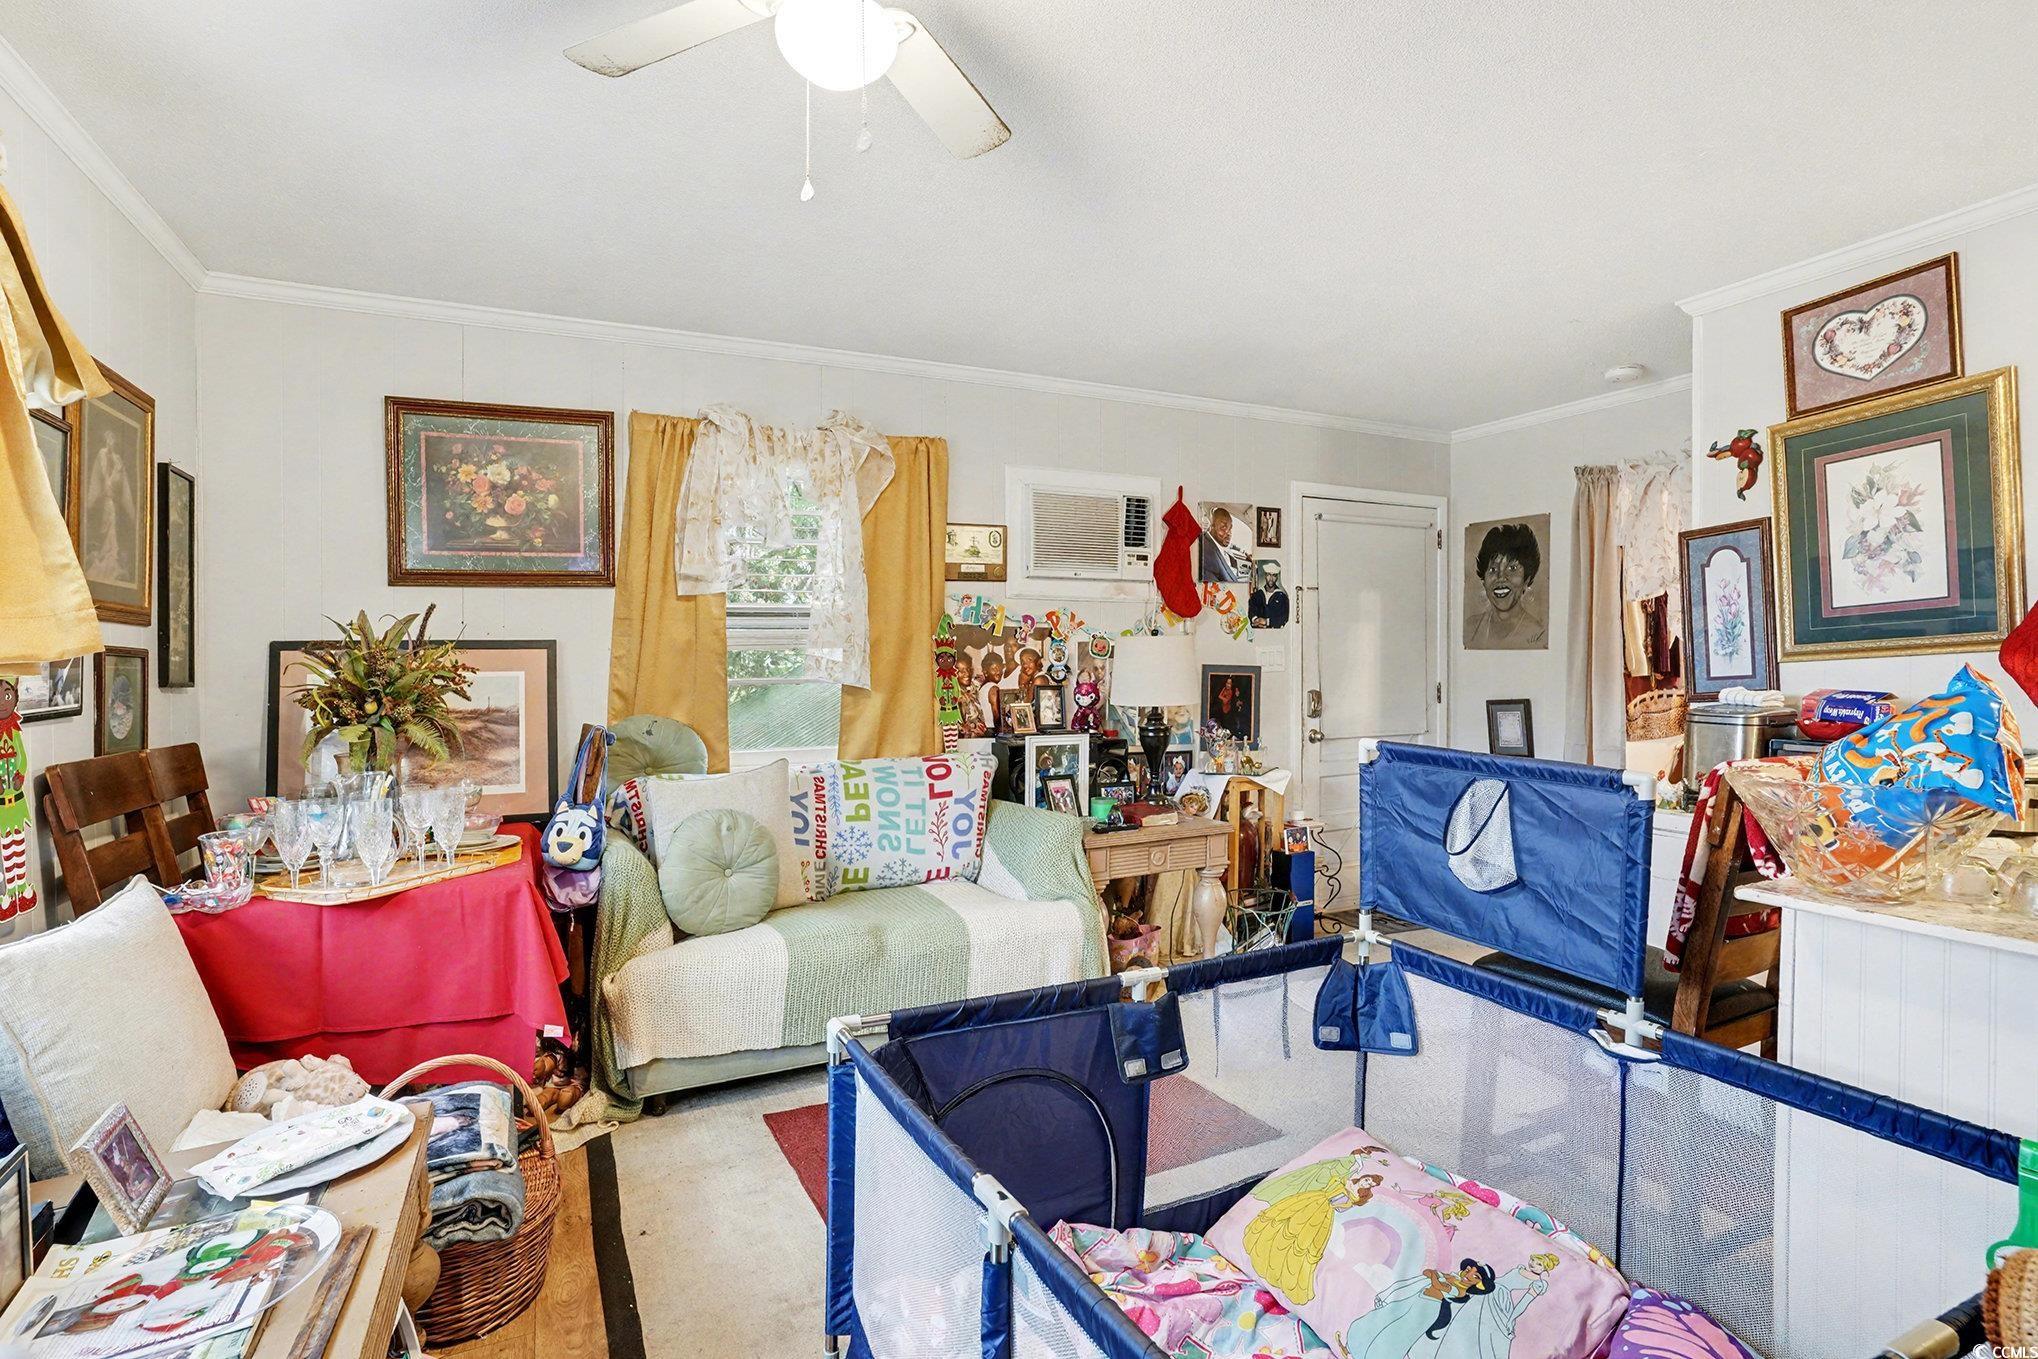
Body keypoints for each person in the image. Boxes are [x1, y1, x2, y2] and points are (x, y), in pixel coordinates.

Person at [1465, 523, 1547, 649]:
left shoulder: (1539, 635)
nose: (1501, 577)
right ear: (1484, 581)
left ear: (1527, 580)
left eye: (1512, 568)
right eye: (1492, 569)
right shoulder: (1470, 628)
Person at [1198, 507, 1248, 582]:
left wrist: (1245, 553)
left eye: (1230, 528)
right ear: (1212, 526)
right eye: (1223, 527)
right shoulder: (1208, 557)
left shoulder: (1218, 541)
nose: (1229, 533)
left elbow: (1232, 545)